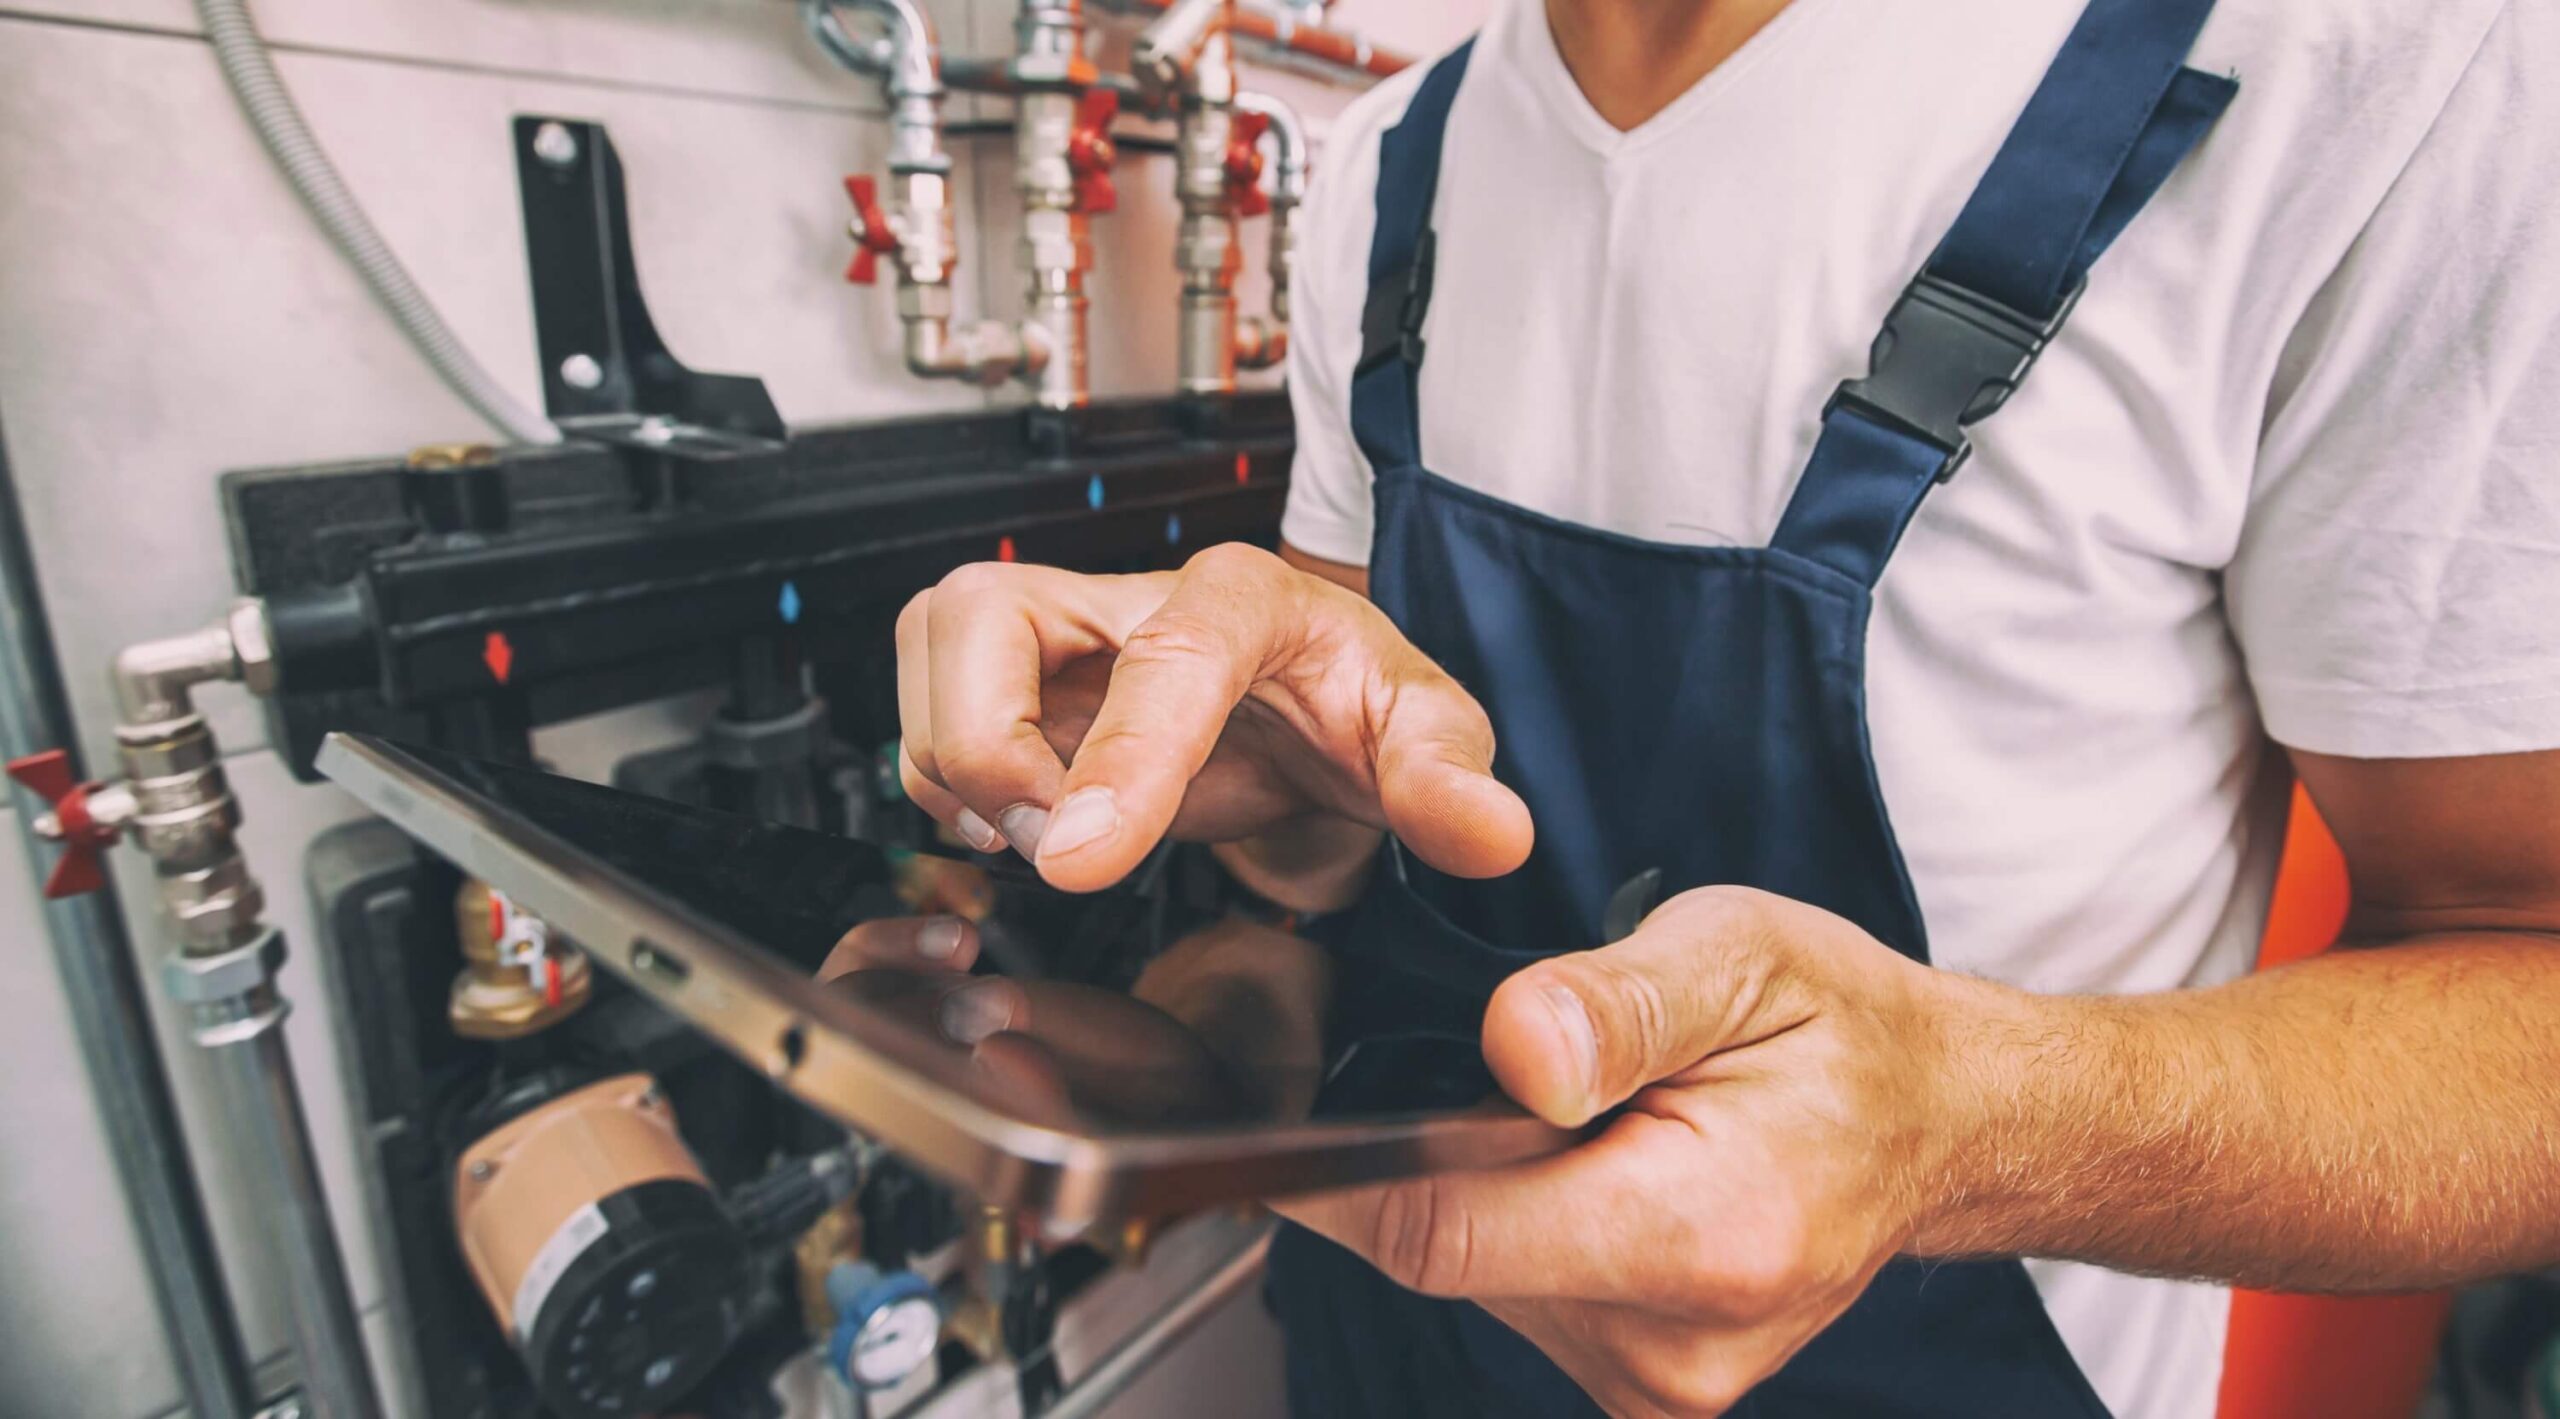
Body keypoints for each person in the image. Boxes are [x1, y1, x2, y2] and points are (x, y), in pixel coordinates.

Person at [880, 0, 2560, 1412]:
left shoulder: (2374, 71)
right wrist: (1268, 790)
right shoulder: (1395, 160)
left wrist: (1971, 1138)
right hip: (1396, 1353)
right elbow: (1340, 846)